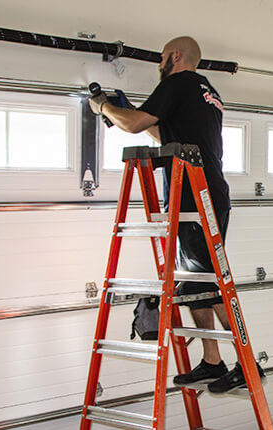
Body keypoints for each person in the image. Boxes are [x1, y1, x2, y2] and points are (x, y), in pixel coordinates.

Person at [88, 36, 262, 393]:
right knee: (196, 283)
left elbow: (135, 125)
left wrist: (104, 107)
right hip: (203, 193)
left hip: (195, 196)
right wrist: (129, 111)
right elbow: (157, 132)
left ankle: (248, 365)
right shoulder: (203, 90)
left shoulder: (178, 82)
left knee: (209, 283)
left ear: (175, 56)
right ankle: (213, 360)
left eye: (163, 58)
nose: (160, 64)